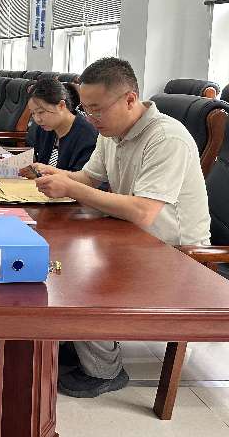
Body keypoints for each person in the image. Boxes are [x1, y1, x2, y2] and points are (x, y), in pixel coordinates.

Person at [26, 57, 211, 398]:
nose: (90, 118)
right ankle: (83, 339)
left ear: (129, 100)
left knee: (78, 269)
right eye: (86, 109)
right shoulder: (111, 133)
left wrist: (72, 188)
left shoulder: (165, 138)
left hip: (178, 254)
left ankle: (105, 371)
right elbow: (89, 178)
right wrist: (57, 175)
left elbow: (143, 211)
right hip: (133, 236)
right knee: (58, 252)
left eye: (97, 109)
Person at [23, 78, 97, 171]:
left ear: (61, 105)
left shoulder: (87, 135)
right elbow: (38, 159)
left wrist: (45, 173)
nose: (37, 119)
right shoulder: (45, 128)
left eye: (41, 112)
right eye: (33, 113)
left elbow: (81, 177)